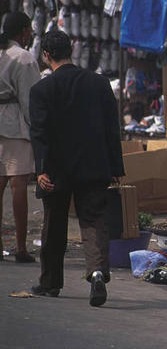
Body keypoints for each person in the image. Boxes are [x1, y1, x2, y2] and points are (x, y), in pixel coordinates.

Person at [28, 30, 124, 306]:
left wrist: (41, 169)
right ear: (71, 50)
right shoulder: (99, 84)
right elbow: (111, 129)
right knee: (94, 221)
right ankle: (96, 272)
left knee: (53, 224)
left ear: (46, 56)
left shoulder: (41, 90)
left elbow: (40, 133)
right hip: (94, 166)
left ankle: (50, 283)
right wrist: (116, 166)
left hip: (56, 170)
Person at [0, 12, 40, 263]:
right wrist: (38, 129)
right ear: (24, 32)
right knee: (18, 186)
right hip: (14, 125)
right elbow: (30, 99)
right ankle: (21, 247)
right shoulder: (23, 58)